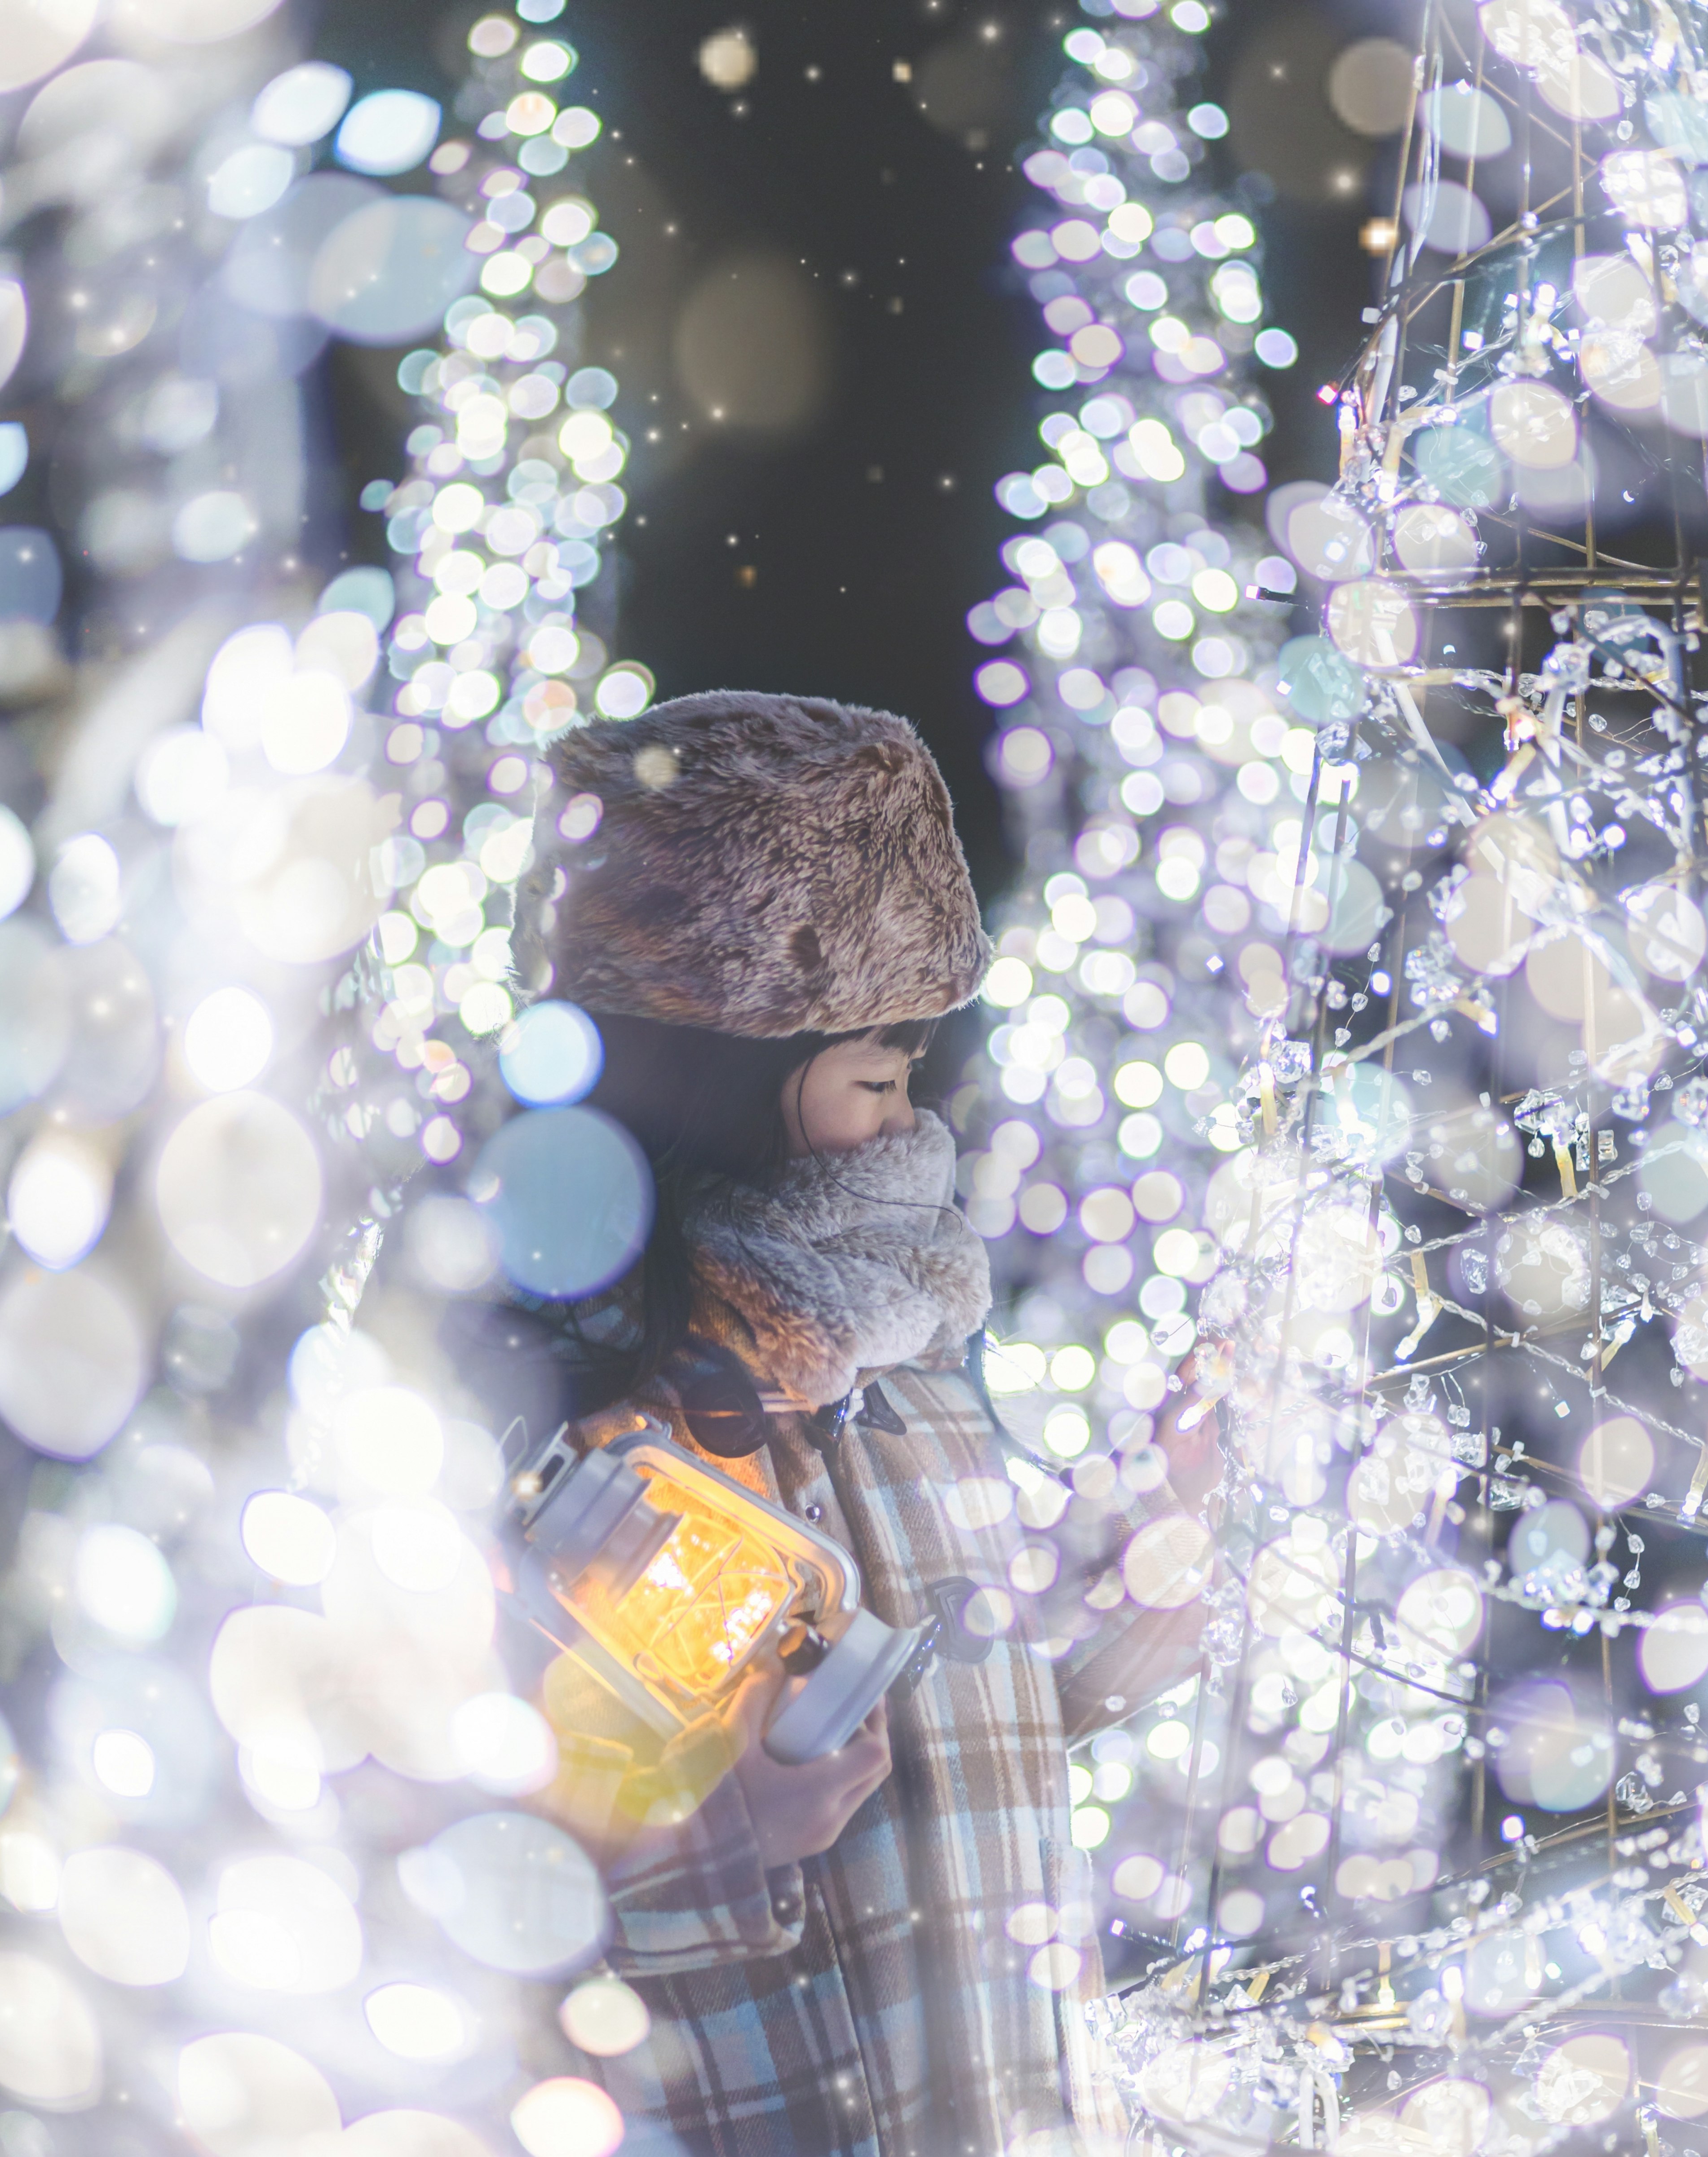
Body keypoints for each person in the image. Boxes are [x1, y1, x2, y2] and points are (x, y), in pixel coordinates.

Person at [481, 691, 1217, 2157]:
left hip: (1000, 2102)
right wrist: (730, 1836)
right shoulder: (564, 1403)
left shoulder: (909, 1339)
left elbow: (1007, 1690)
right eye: (876, 1074)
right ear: (729, 1068)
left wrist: (1188, 1524)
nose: (909, 1123)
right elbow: (483, 1863)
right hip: (763, 2107)